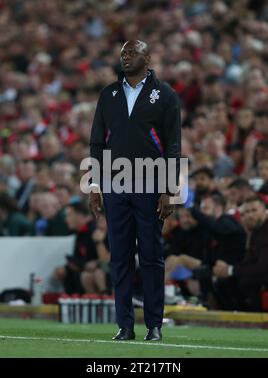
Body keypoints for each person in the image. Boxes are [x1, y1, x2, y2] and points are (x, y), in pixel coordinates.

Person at [89, 40, 181, 341]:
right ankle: (125, 325)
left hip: (151, 184)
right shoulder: (109, 94)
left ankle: (154, 324)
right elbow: (97, 143)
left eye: (133, 53)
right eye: (123, 53)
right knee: (120, 257)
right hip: (116, 184)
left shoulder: (165, 95)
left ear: (148, 58)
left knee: (152, 255)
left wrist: (170, 188)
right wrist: (94, 183)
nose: (126, 57)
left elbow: (173, 145)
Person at [213, 196, 268, 311]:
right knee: (223, 281)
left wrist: (231, 270)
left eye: (254, 210)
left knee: (247, 281)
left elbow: (263, 267)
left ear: (264, 211)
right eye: (246, 212)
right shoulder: (256, 230)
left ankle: (254, 315)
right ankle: (236, 316)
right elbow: (249, 261)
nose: (250, 215)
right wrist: (227, 269)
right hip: (267, 273)